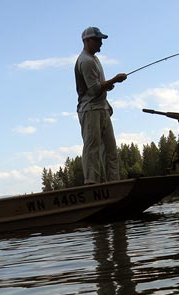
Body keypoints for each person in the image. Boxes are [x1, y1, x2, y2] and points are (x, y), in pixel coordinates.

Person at [75, 26, 127, 184]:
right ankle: (92, 183)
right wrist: (114, 80)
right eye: (98, 40)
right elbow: (94, 90)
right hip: (89, 110)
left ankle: (114, 183)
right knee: (92, 149)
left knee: (111, 150)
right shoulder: (86, 61)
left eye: (101, 40)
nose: (101, 44)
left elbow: (99, 86)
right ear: (87, 41)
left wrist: (107, 87)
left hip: (101, 108)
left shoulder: (94, 59)